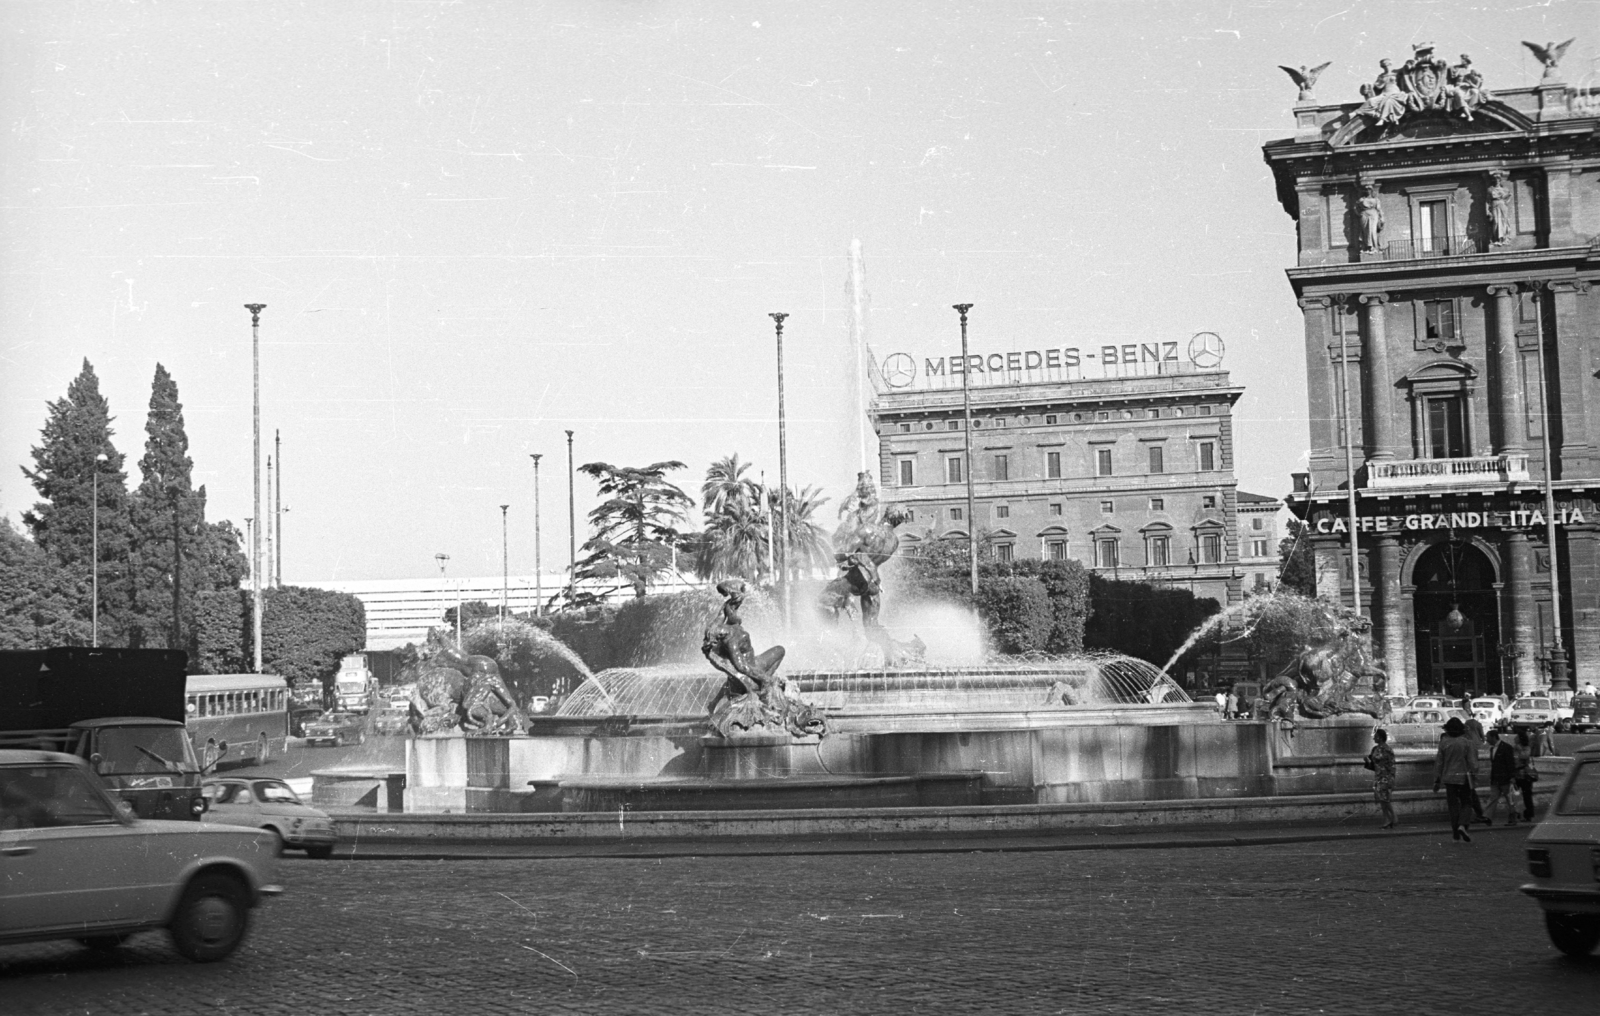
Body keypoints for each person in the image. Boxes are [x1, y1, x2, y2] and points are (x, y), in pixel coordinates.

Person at [1434, 716, 1480, 842]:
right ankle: (1462, 825)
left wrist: (1437, 780)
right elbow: (1473, 763)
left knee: (1453, 806)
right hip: (1464, 778)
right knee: (1466, 803)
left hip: (1448, 779)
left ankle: (1455, 833)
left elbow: (1439, 763)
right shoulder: (1467, 743)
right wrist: (1475, 774)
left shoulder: (1444, 743)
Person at [1483, 729, 1518, 826]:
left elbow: (1510, 763)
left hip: (1505, 778)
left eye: (1488, 737)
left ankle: (1512, 817)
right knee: (1494, 797)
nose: (1487, 739)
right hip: (1496, 778)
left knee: (1509, 799)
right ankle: (1488, 817)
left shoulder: (1506, 748)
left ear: (1494, 737)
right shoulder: (1493, 748)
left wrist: (1512, 776)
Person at [1366, 728, 1398, 829]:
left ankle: (1393, 816)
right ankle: (1387, 819)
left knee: (1384, 798)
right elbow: (1373, 765)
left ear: (1380, 737)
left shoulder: (1387, 749)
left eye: (1375, 736)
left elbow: (1392, 764)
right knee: (1381, 798)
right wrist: (1367, 761)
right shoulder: (1375, 749)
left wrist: (1391, 777)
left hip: (1386, 776)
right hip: (1379, 776)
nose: (1374, 738)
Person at [1514, 730, 1537, 822]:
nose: (1515, 738)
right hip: (1517, 774)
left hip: (1525, 775)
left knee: (1527, 796)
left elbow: (1524, 756)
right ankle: (1518, 814)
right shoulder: (1514, 748)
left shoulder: (1526, 748)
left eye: (1517, 737)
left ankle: (1528, 814)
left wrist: (1518, 748)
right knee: (1516, 796)